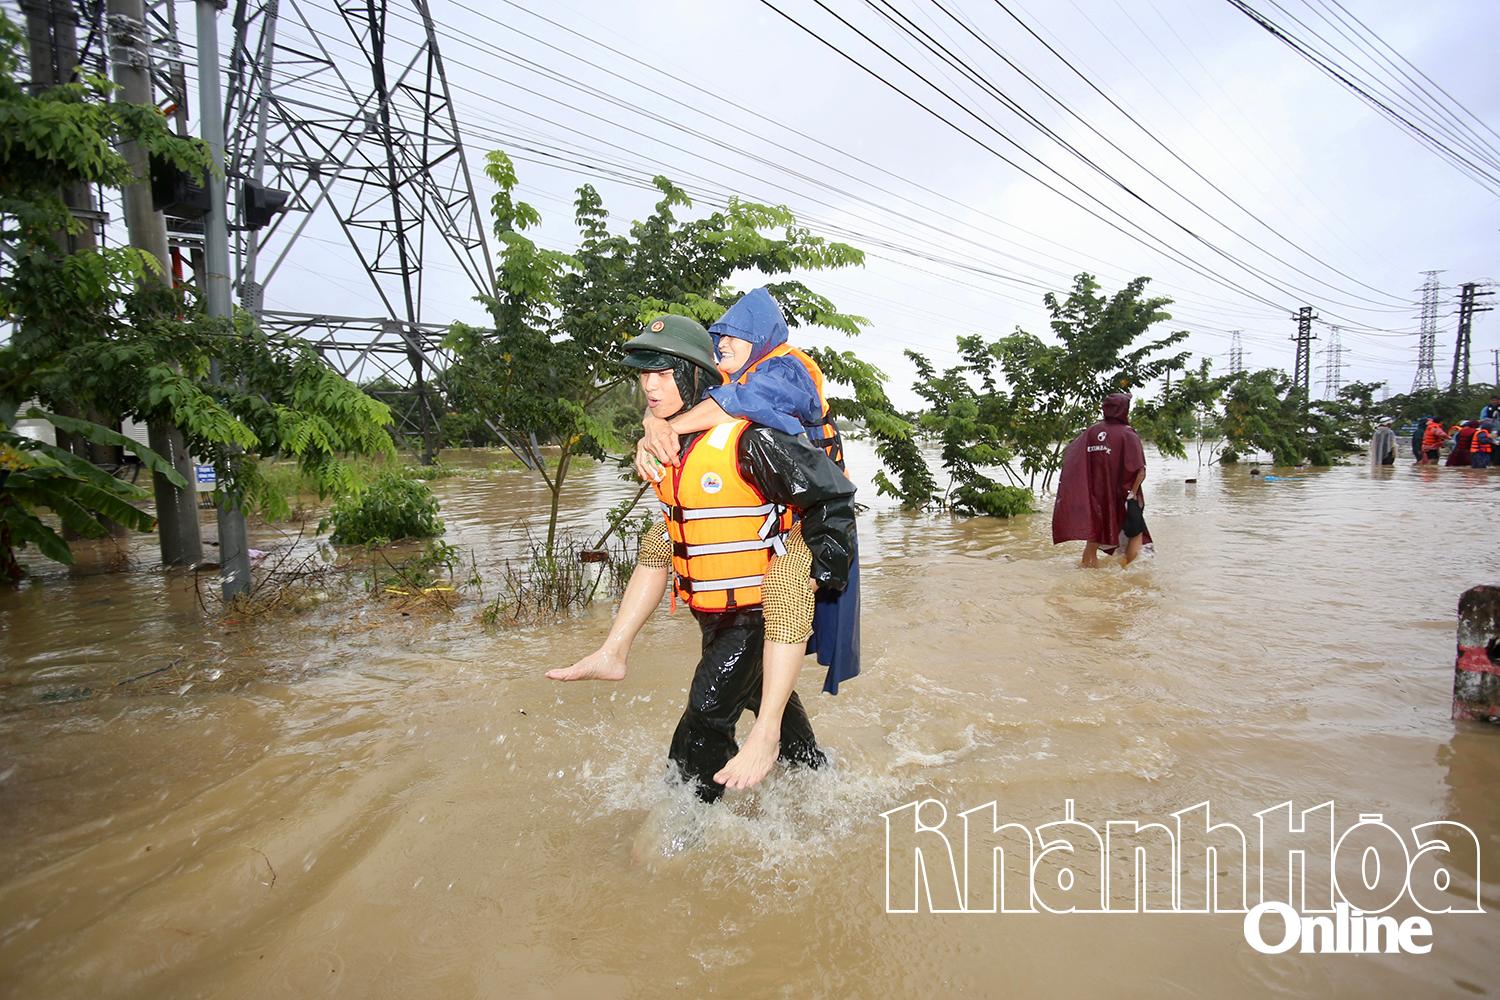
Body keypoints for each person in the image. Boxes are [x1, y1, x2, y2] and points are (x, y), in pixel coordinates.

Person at [549, 315, 857, 800]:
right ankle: (822, 784)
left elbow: (832, 496)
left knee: (707, 713)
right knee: (756, 692)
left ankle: (681, 828)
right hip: (710, 611)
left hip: (759, 612)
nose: (650, 386)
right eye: (644, 374)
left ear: (696, 377)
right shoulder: (671, 441)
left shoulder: (751, 438)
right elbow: (677, 529)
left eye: (665, 374)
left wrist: (816, 572)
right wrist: (653, 428)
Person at [634, 288, 861, 695]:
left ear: (760, 339)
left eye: (732, 337)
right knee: (658, 538)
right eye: (718, 336)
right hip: (768, 507)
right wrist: (652, 425)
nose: (721, 344)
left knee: (785, 588)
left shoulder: (788, 371)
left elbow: (741, 402)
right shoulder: (732, 375)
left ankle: (768, 730)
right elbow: (676, 399)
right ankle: (616, 648)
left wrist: (666, 426)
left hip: (813, 518)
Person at [1052, 392, 1151, 568]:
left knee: (1094, 536)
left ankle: (1088, 573)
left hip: (1095, 497)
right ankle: (1126, 573)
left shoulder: (1092, 431)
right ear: (1124, 410)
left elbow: (1073, 457)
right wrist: (1132, 495)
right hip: (1122, 496)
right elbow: (1140, 471)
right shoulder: (1128, 434)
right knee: (1136, 534)